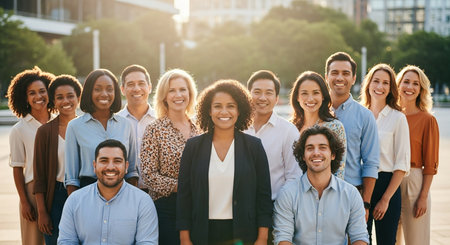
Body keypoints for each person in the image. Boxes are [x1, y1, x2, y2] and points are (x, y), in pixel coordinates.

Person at [177, 80, 273, 245]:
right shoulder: (193, 147)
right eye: (217, 106)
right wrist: (185, 238)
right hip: (202, 232)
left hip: (244, 233)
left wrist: (262, 238)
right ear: (209, 110)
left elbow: (263, 197)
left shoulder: (254, 147)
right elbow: (184, 197)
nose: (224, 111)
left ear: (239, 110)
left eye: (230, 106)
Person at [273, 125, 369, 245]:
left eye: (323, 147)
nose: (316, 153)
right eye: (310, 148)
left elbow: (359, 237)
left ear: (333, 154)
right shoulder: (288, 194)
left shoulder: (351, 194)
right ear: (303, 156)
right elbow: (283, 239)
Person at [58, 139, 158, 244]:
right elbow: (66, 241)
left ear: (126, 167)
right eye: (104, 161)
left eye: (117, 161)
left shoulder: (142, 202)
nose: (110, 167)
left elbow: (147, 242)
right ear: (94, 165)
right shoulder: (75, 200)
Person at [140, 69, 200, 244]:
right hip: (167, 207)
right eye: (172, 90)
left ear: (190, 93)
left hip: (198, 204)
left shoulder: (200, 128)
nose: (178, 95)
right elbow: (148, 175)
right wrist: (181, 187)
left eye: (182, 89)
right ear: (164, 96)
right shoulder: (154, 129)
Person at [64, 69, 138, 195]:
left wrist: (130, 199)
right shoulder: (74, 126)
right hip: (87, 192)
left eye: (109, 89)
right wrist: (75, 205)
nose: (104, 94)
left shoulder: (126, 125)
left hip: (121, 192)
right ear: (89, 92)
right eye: (97, 89)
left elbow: (131, 171)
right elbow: (71, 178)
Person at [324, 51, 380, 219]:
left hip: (351, 193)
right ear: (326, 77)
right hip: (315, 195)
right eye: (334, 73)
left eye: (345, 73)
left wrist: (365, 204)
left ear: (354, 78)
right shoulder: (314, 112)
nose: (339, 78)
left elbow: (371, 162)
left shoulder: (365, 116)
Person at [360, 64, 410, 244]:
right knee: (361, 239)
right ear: (368, 84)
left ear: (391, 88)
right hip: (361, 186)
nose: (380, 87)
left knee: (386, 241)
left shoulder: (398, 118)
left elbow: (401, 164)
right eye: (376, 81)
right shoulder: (360, 114)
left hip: (387, 185)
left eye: (385, 83)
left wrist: (385, 199)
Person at [7, 66, 55, 245]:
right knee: (33, 241)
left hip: (58, 188)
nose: (38, 96)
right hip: (33, 192)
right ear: (25, 98)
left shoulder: (60, 122)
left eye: (42, 91)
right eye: (32, 93)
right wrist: (25, 202)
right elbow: (18, 168)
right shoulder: (19, 130)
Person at [33, 75, 82, 245]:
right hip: (56, 198)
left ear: (78, 97)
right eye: (59, 97)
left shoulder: (87, 128)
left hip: (83, 194)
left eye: (70, 96)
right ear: (53, 101)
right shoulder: (45, 132)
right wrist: (42, 212)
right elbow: (39, 177)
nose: (66, 101)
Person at [395, 65, 439, 245]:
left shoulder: (428, 120)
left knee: (417, 241)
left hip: (413, 182)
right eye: (406, 82)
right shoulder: (390, 115)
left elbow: (430, 165)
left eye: (416, 84)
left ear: (421, 89)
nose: (410, 87)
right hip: (388, 181)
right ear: (398, 85)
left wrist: (423, 196)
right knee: (390, 240)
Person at [244, 70, 300, 201]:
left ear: (276, 98)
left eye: (268, 93)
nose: (262, 98)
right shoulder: (236, 128)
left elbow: (294, 176)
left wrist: (280, 208)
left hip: (275, 206)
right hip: (239, 207)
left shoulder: (288, 131)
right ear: (248, 95)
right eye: (257, 92)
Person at [290, 71, 346, 179]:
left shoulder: (335, 127)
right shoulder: (290, 127)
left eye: (315, 93)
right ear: (297, 97)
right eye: (304, 93)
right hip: (293, 192)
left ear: (323, 96)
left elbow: (339, 170)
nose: (310, 99)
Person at [118, 64, 155, 191]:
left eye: (141, 83)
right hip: (124, 191)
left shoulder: (162, 120)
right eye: (131, 84)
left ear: (149, 88)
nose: (137, 88)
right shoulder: (115, 122)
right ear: (122, 89)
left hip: (158, 194)